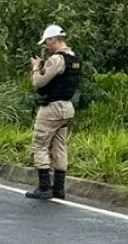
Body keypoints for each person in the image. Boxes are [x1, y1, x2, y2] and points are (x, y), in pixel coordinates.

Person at [26, 24, 81, 200]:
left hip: (52, 108)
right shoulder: (75, 58)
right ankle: (59, 189)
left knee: (39, 145)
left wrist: (36, 67)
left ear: (52, 40)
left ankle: (44, 187)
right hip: (67, 107)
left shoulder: (57, 59)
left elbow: (39, 83)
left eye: (47, 42)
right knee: (59, 146)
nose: (47, 46)